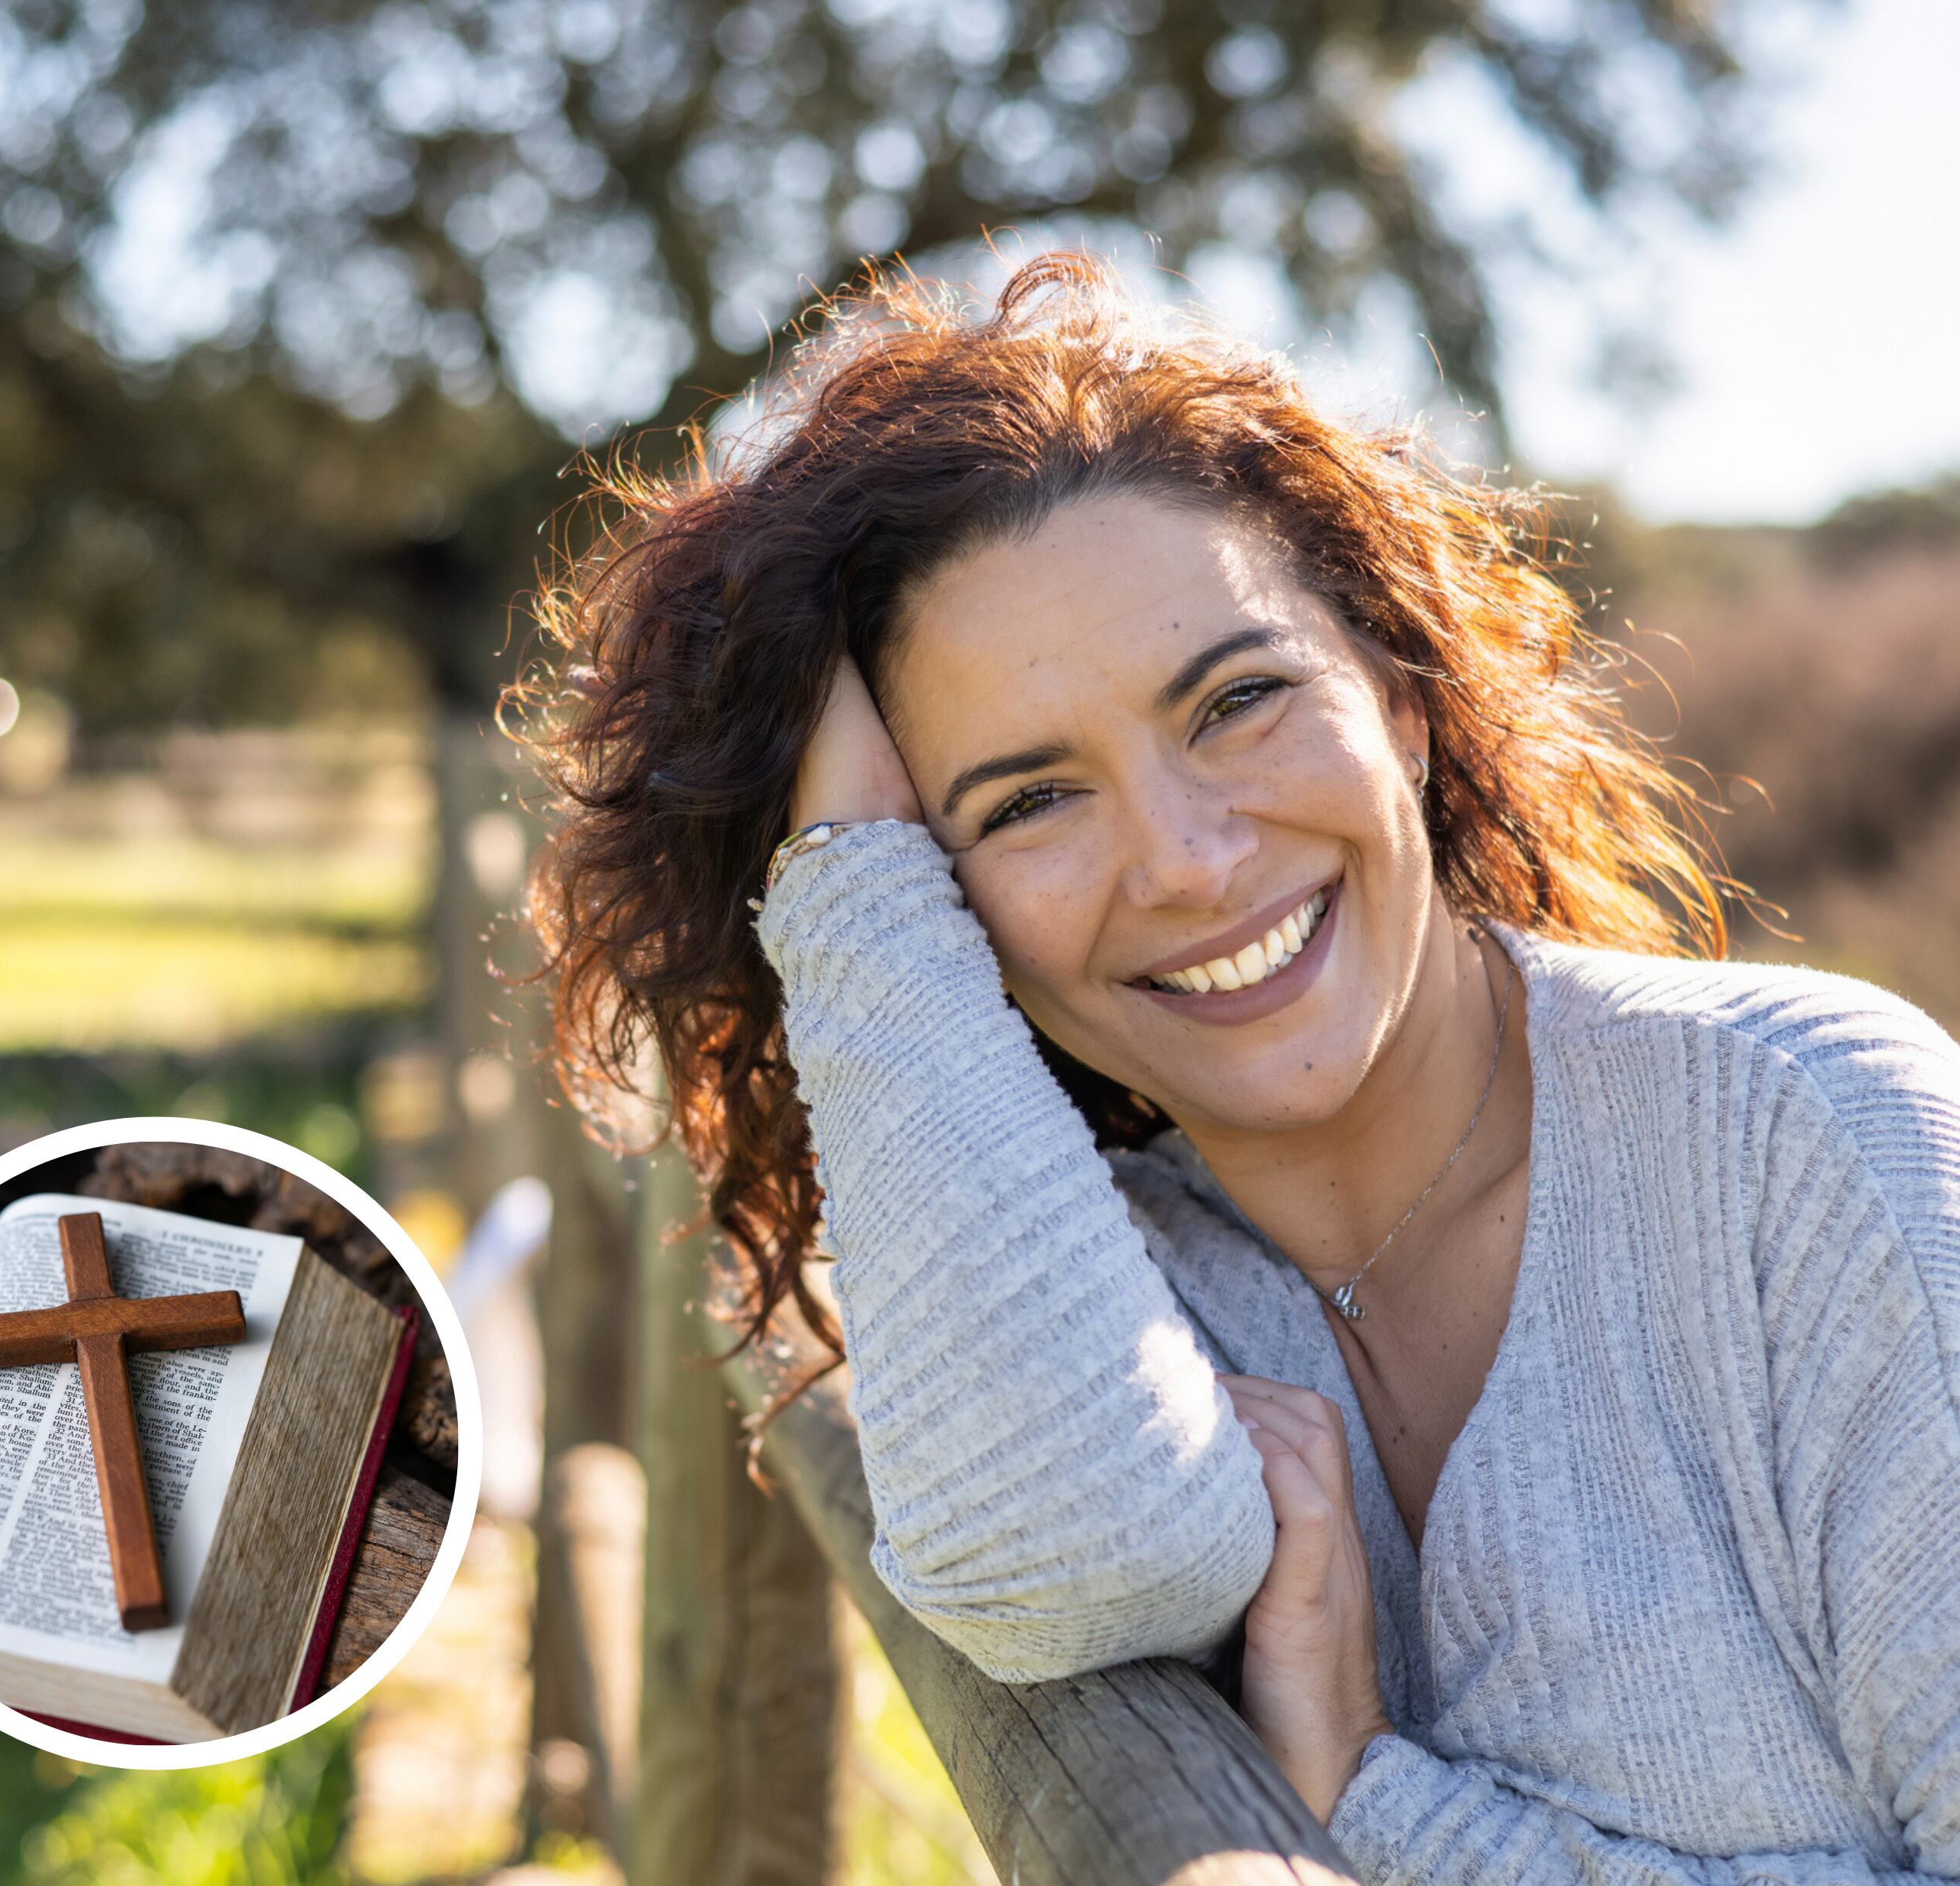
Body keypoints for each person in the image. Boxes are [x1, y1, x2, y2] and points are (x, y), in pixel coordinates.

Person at [511, 251, 1960, 1879]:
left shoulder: (1805, 1136)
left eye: (1241, 699)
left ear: (1401, 699)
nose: (1189, 860)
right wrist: (843, 862)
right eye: (1023, 801)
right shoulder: (1094, 1285)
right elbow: (1064, 1563)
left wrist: (1370, 1807)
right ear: (941, 904)